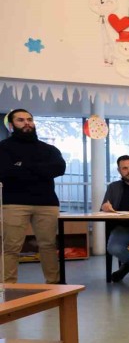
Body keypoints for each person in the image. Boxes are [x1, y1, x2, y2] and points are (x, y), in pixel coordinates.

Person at [0, 109, 66, 284]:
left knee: (49, 246)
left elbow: (59, 168)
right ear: (12, 125)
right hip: (14, 204)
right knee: (11, 248)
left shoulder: (49, 149)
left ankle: (54, 285)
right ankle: (7, 287)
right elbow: (4, 172)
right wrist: (41, 170)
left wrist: (21, 167)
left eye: (29, 119)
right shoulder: (3, 148)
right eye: (21, 120)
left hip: (47, 204)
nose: (27, 123)